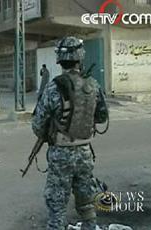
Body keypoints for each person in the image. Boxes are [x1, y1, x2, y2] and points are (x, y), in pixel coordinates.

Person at [32, 36, 108, 230]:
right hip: (84, 153)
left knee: (57, 206)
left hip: (61, 154)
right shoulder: (93, 85)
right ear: (80, 58)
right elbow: (101, 117)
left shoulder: (52, 88)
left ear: (59, 59)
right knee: (86, 200)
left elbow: (37, 126)